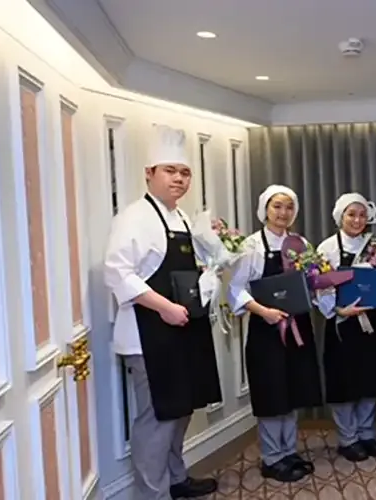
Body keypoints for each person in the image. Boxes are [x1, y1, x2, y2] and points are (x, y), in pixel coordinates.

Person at [103, 124, 220, 499]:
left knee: (181, 411)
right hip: (148, 334)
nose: (179, 179)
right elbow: (117, 273)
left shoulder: (182, 218)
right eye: (170, 170)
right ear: (149, 173)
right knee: (158, 418)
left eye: (185, 172)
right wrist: (165, 307)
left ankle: (175, 478)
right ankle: (153, 493)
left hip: (182, 330)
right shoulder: (133, 218)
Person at [226, 185, 321, 482]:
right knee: (271, 392)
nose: (283, 212)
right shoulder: (251, 246)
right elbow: (235, 290)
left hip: (297, 327)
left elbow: (311, 281)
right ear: (265, 209)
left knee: (292, 389)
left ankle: (289, 451)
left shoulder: (300, 243)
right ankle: (272, 458)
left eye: (289, 207)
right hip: (266, 329)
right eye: (277, 206)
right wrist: (264, 312)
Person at [316, 193, 376, 463]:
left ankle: (366, 433)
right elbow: (319, 287)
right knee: (344, 382)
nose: (357, 220)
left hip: (373, 323)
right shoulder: (327, 248)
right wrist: (338, 310)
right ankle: (348, 438)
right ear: (340, 217)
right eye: (351, 214)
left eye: (362, 215)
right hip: (342, 323)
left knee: (369, 379)